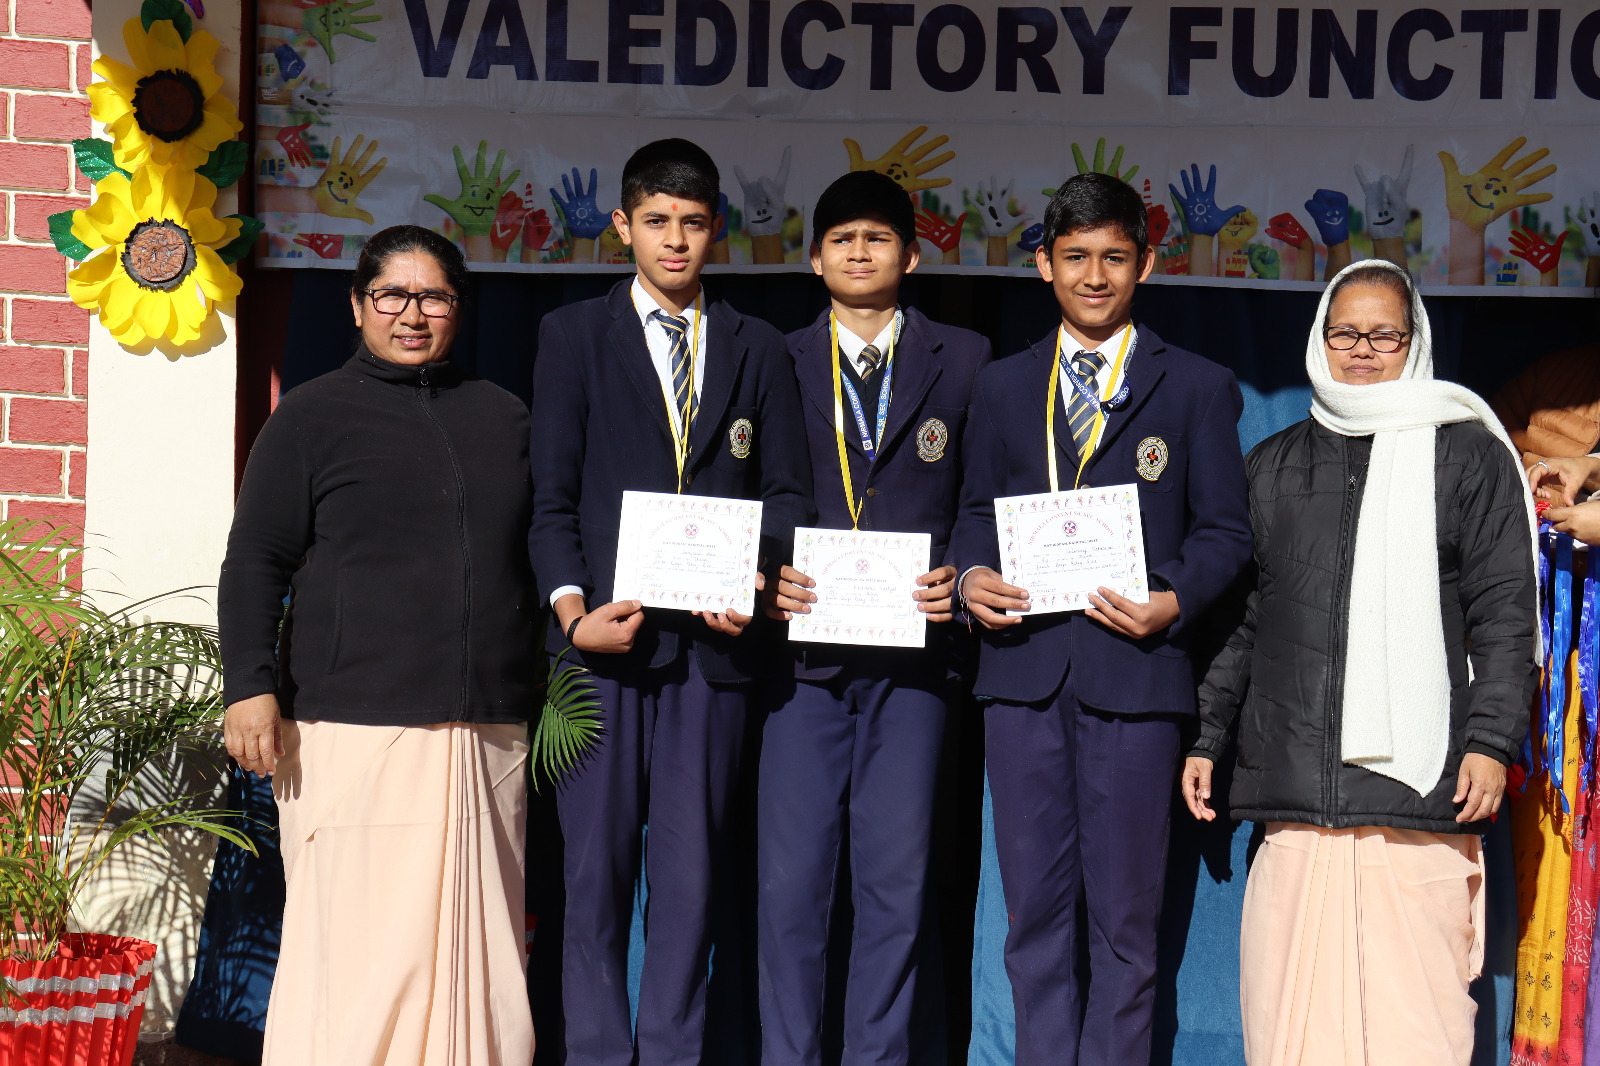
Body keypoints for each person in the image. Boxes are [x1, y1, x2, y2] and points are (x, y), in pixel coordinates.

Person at [1181, 259, 1537, 1066]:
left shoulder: (1468, 456)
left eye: (1385, 335)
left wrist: (1490, 740)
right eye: (1346, 333)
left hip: (1420, 796)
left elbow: (1505, 612)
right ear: (1320, 339)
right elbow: (1243, 622)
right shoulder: (1272, 465)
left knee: (1417, 1028)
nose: (1364, 351)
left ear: (1415, 343)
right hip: (1298, 793)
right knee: (1291, 1025)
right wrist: (1205, 735)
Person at [947, 172, 1253, 1066]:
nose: (1093, 276)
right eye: (1075, 256)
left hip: (1136, 680)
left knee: (1126, 926)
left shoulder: (1196, 386)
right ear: (1043, 264)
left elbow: (1226, 531)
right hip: (1024, 679)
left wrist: (1174, 598)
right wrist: (970, 577)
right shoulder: (1002, 385)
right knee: (1033, 923)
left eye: (1113, 257)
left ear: (1145, 265)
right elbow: (974, 512)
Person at [218, 225, 537, 1066]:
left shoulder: (503, 416)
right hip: (352, 728)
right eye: (392, 294)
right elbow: (255, 558)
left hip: (487, 733)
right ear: (357, 305)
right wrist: (249, 685)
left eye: (434, 297)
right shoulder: (310, 416)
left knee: (480, 964)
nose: (413, 314)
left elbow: (542, 552)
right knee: (360, 961)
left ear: (459, 308)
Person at [527, 138, 812, 1066]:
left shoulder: (759, 345)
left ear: (716, 228)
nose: (675, 240)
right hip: (600, 653)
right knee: (593, 880)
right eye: (656, 221)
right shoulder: (572, 336)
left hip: (713, 658)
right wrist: (573, 616)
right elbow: (551, 501)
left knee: (690, 887)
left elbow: (787, 494)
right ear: (623, 226)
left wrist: (753, 579)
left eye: (692, 223)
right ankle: (597, 1055)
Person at [756, 170, 991, 1066]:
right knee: (791, 891)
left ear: (913, 256)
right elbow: (748, 489)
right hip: (802, 667)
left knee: (896, 886)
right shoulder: (774, 357)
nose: (860, 252)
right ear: (815, 259)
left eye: (879, 237)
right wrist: (764, 574)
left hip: (916, 666)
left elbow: (982, 493)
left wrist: (962, 574)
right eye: (842, 239)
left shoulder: (966, 358)